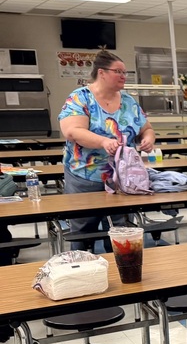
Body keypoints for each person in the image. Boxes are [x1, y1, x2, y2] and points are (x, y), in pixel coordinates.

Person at [58, 50, 155, 249]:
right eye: (118, 71)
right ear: (101, 73)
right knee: (83, 232)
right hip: (85, 176)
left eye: (125, 72)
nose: (123, 76)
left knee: (121, 232)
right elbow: (72, 131)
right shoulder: (80, 98)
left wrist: (148, 138)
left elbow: (146, 128)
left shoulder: (128, 101)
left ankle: (120, 265)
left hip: (121, 178)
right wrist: (103, 142)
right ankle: (83, 266)